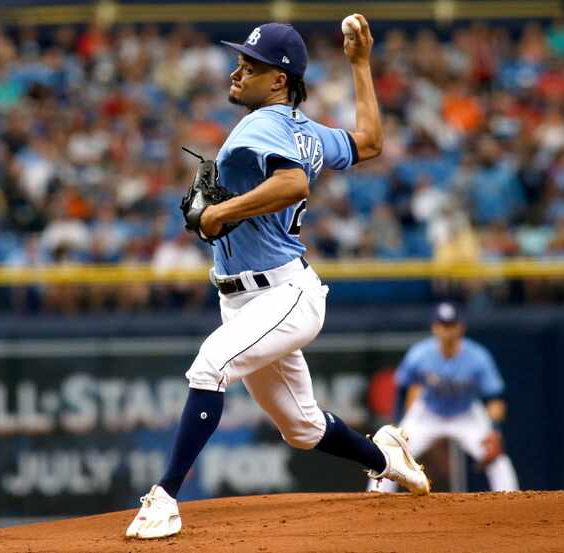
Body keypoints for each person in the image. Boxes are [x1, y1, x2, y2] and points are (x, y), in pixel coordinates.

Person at [126, 17, 430, 540]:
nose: (237, 72)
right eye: (241, 62)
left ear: (280, 81)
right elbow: (372, 143)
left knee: (210, 366)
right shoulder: (306, 130)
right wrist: (360, 66)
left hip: (284, 293)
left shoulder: (260, 125)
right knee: (303, 428)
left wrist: (223, 214)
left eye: (252, 66)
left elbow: (290, 184)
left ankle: (165, 498)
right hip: (250, 297)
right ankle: (386, 457)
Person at [368, 302, 519, 493]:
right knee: (391, 453)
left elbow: (494, 397)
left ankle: (512, 502)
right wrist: (398, 423)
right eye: (442, 324)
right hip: (428, 412)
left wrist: (495, 431)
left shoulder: (478, 357)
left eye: (451, 324)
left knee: (497, 458)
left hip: (466, 413)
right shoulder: (420, 354)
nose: (447, 330)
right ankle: (374, 499)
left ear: (461, 327)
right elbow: (402, 388)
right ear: (434, 327)